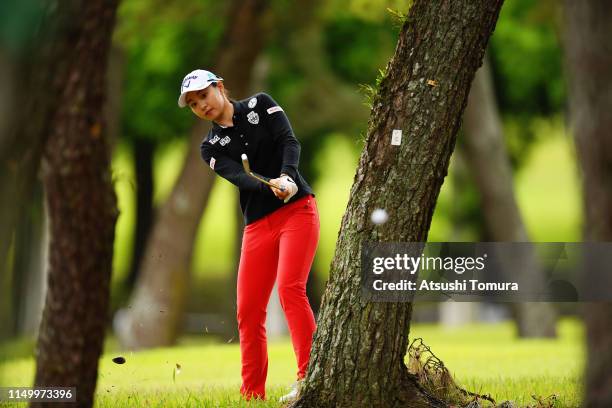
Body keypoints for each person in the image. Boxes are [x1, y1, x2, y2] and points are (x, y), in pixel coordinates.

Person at [178, 69, 319, 402]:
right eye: (194, 104)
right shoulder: (209, 146)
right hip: (258, 224)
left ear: (221, 88)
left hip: (297, 212)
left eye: (204, 95)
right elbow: (239, 177)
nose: (202, 106)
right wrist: (270, 187)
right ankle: (252, 394)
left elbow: (289, 142)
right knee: (249, 309)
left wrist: (287, 177)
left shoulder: (262, 104)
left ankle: (309, 377)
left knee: (289, 290)